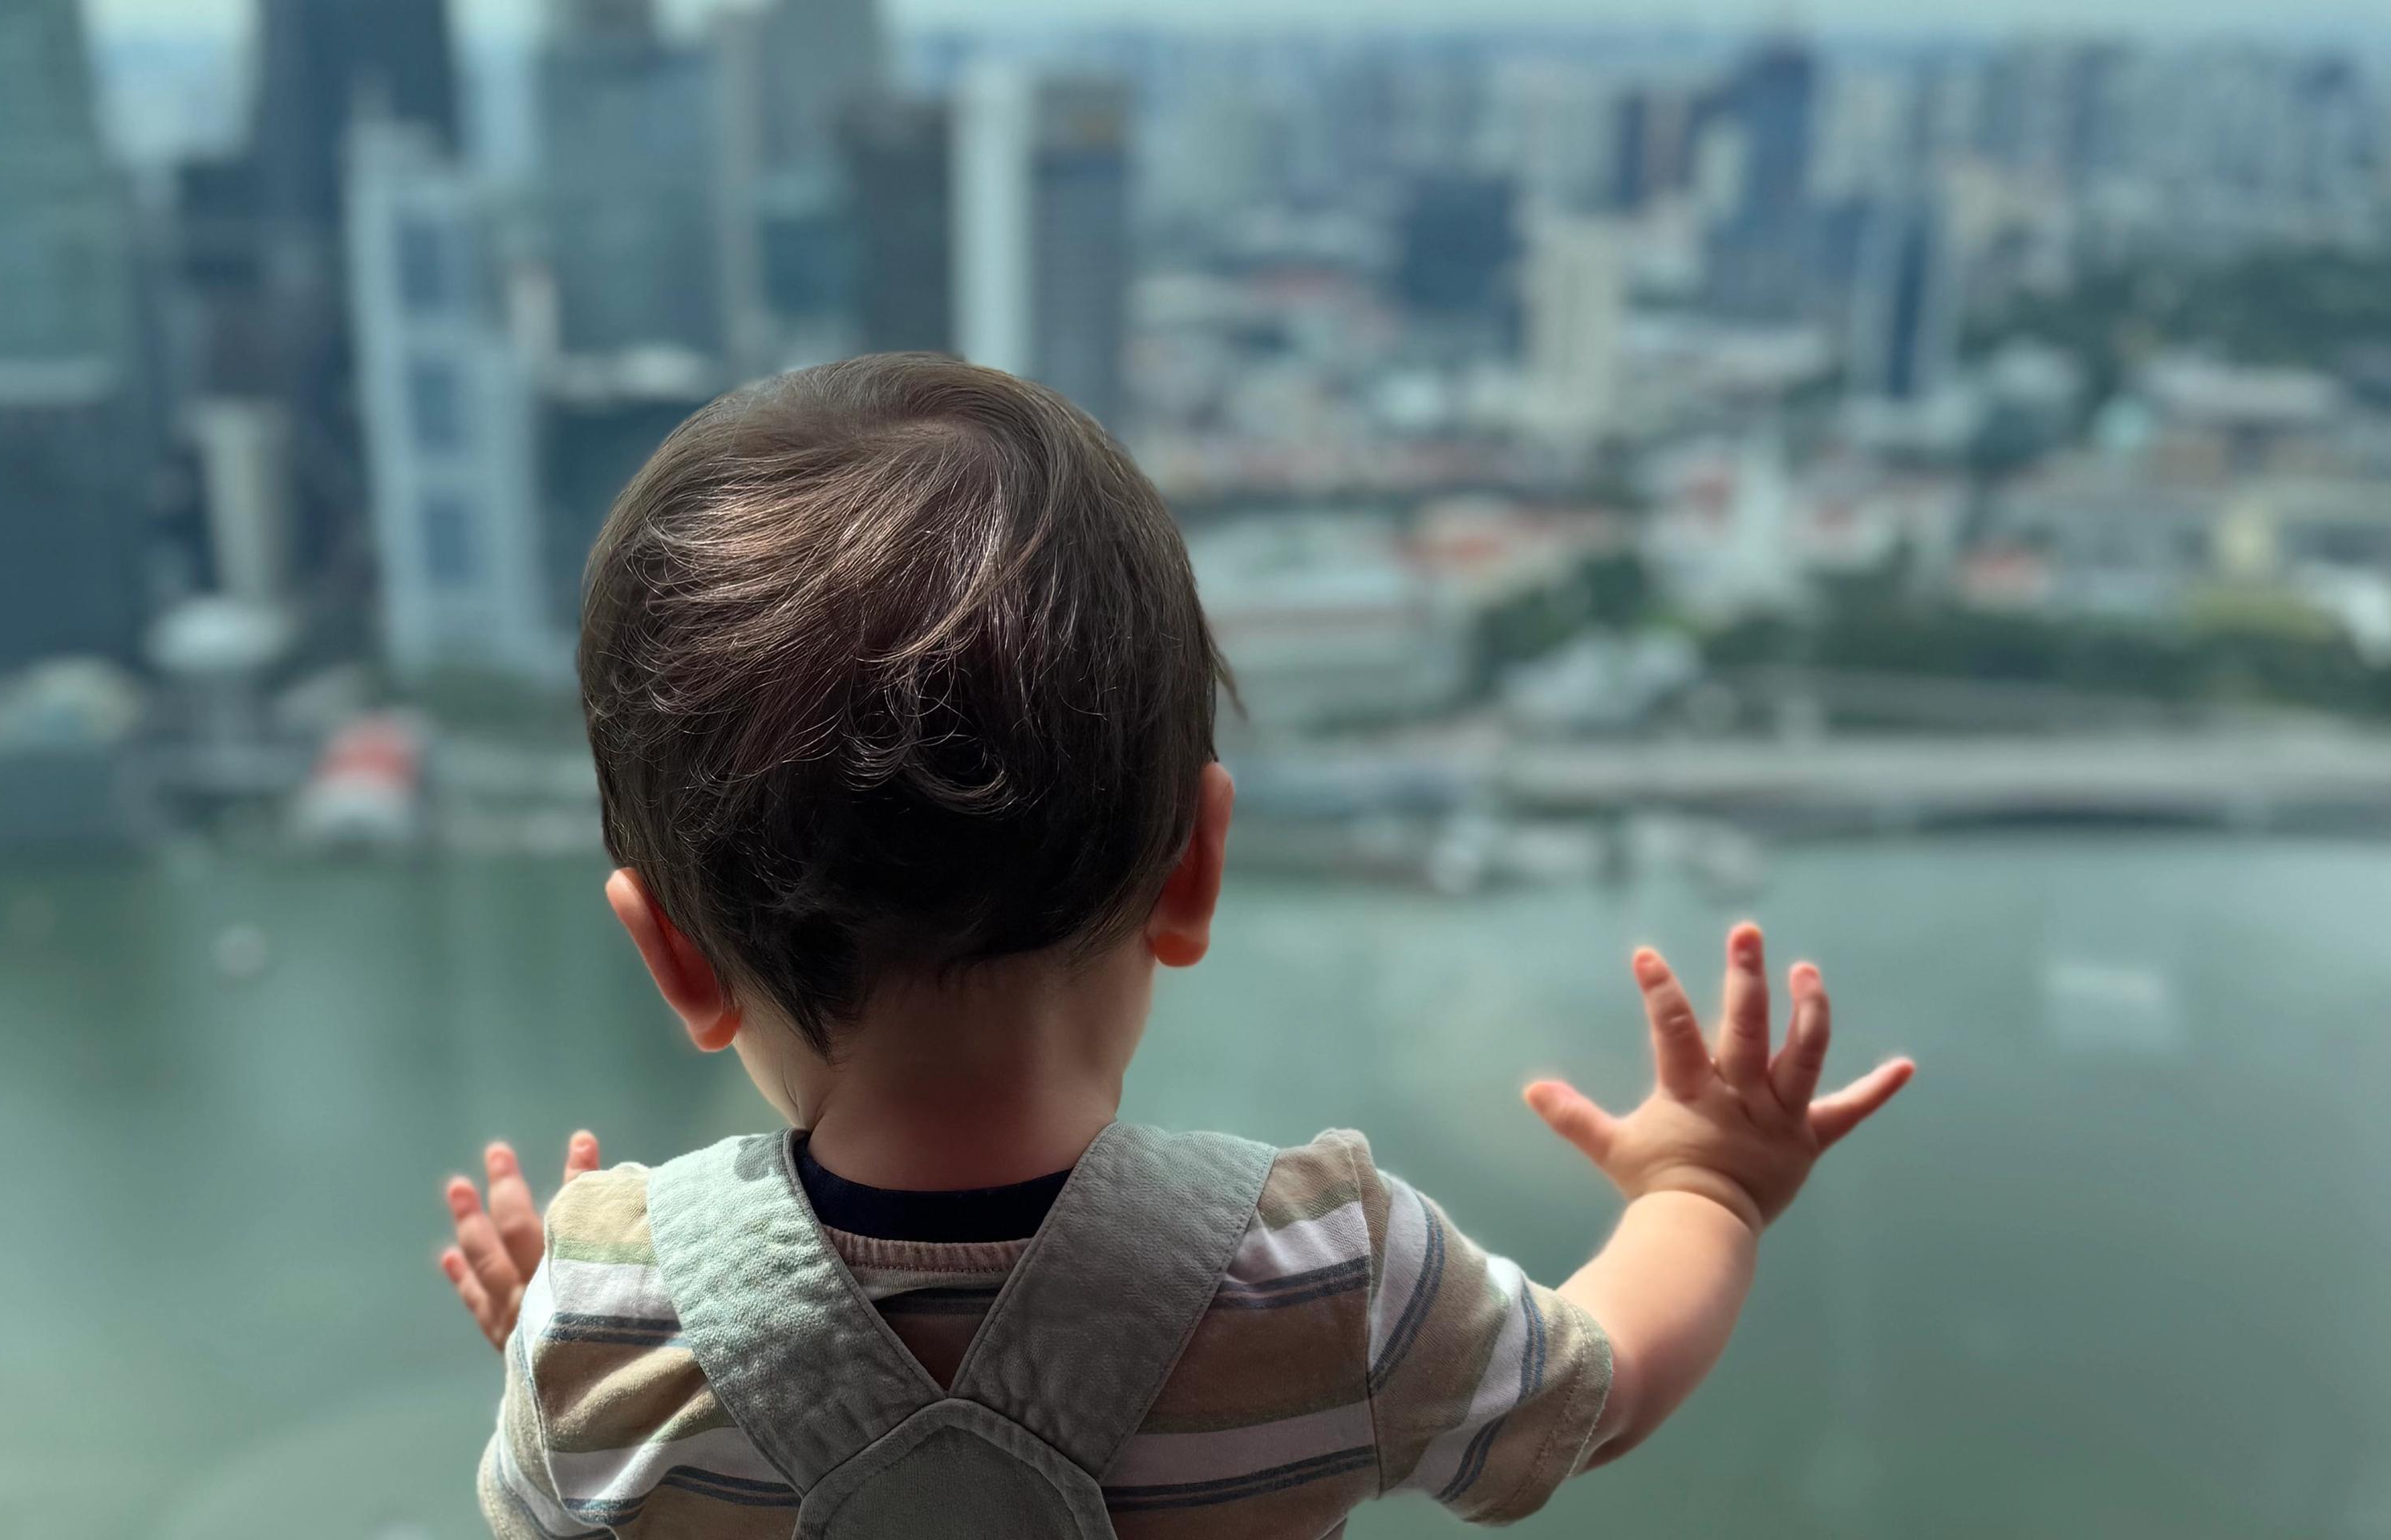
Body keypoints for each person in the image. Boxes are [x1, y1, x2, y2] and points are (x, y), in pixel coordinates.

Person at [432, 355, 1914, 1537]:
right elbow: (1603, 1391)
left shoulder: (595, 1317)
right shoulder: (1335, 1280)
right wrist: (1710, 1183)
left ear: (675, 956)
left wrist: (573, 1339)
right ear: (1196, 867)